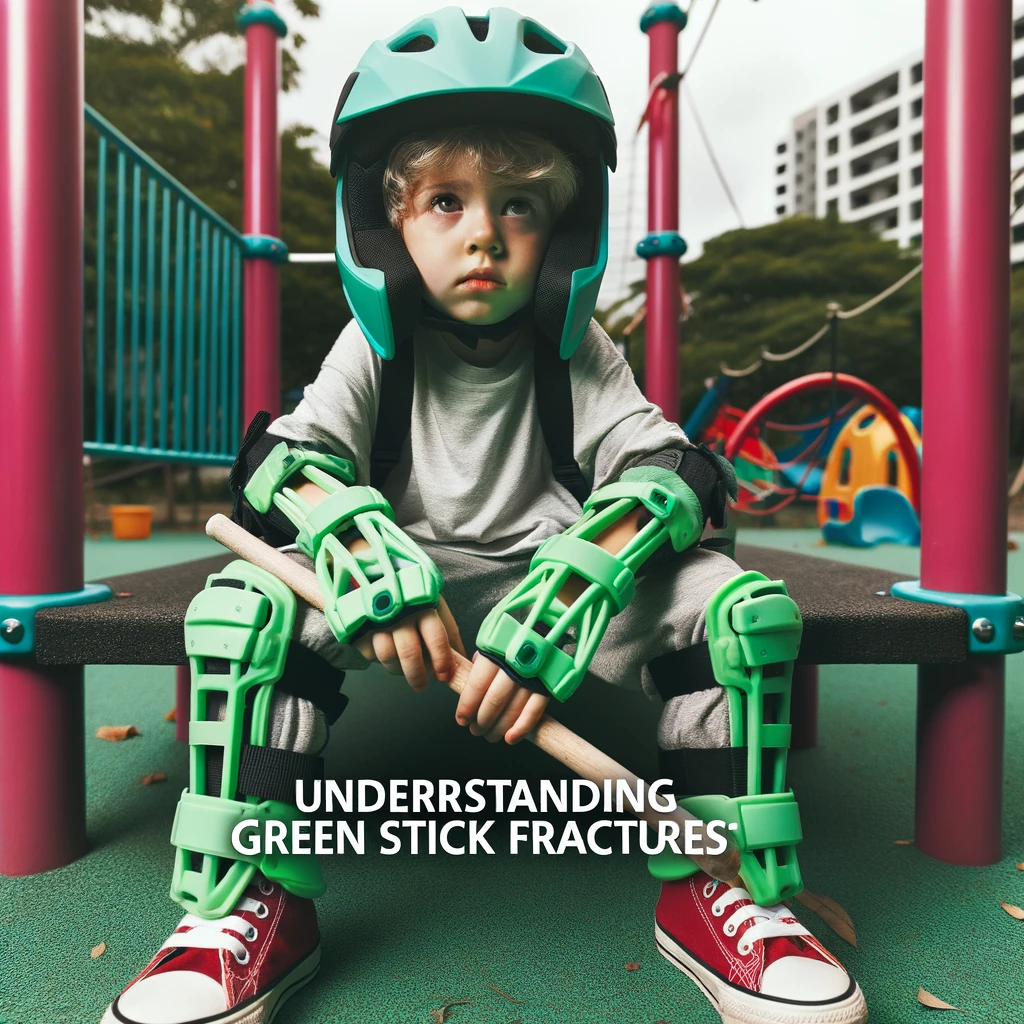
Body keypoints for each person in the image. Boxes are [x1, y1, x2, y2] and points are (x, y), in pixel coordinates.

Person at [101, 9, 867, 1024]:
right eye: (446, 201)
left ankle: (723, 886)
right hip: (399, 583)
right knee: (247, 613)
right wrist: (367, 555)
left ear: (564, 231)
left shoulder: (574, 345)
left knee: (731, 612)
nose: (480, 233)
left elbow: (672, 473)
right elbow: (284, 465)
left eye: (518, 207)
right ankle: (249, 897)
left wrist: (576, 583)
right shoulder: (373, 344)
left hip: (547, 579)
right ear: (385, 225)